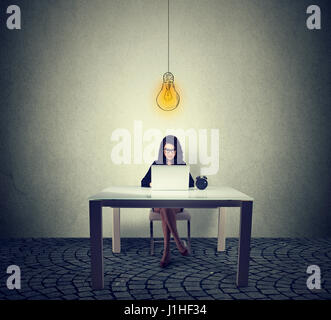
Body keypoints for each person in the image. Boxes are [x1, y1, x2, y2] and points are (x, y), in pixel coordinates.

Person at [141, 135, 194, 267]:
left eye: (172, 150)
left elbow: (191, 183)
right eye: (166, 150)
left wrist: (181, 183)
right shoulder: (156, 164)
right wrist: (151, 183)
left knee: (166, 208)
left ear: (176, 151)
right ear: (162, 151)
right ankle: (178, 243)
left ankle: (166, 251)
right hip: (158, 203)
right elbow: (143, 182)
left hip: (175, 203)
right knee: (164, 206)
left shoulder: (181, 165)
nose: (169, 153)